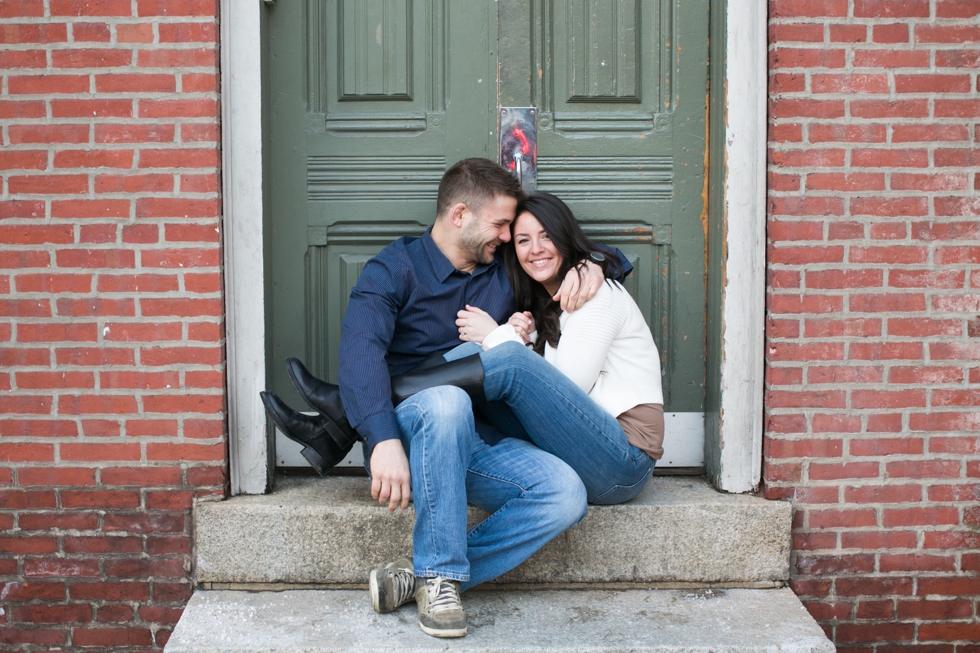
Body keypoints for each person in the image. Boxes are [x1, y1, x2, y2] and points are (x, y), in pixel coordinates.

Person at [260, 159, 622, 639]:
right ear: (458, 216)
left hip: (476, 438)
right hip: (411, 435)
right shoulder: (394, 268)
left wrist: (594, 265)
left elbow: (571, 256)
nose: (506, 235)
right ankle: (443, 577)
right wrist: (384, 439)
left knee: (565, 492)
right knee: (446, 400)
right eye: (499, 225)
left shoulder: (503, 268)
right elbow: (360, 351)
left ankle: (418, 576)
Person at [454, 192, 664, 504]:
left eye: (546, 236)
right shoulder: (547, 305)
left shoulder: (594, 292)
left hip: (623, 461)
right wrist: (523, 338)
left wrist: (498, 337)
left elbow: (568, 389)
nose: (535, 249)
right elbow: (548, 397)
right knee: (474, 355)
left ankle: (397, 396)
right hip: (581, 448)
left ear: (564, 238)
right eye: (523, 241)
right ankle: (406, 410)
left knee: (498, 353)